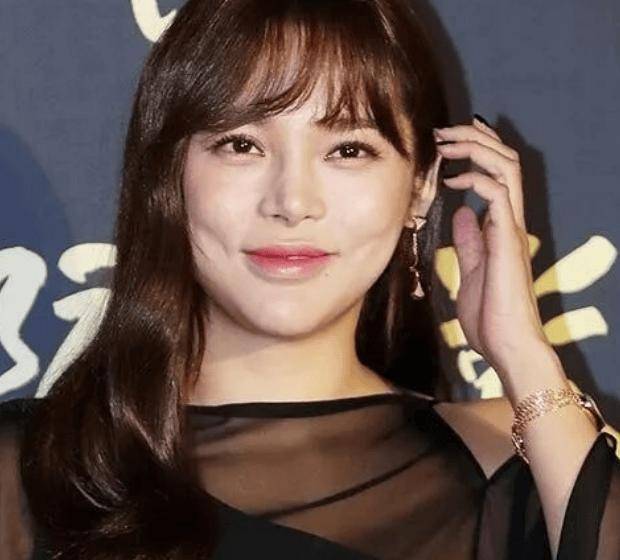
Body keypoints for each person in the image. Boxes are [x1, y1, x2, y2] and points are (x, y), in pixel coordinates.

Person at [1, 0, 618, 558]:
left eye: (348, 150)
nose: (293, 202)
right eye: (242, 144)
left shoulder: (513, 461)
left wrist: (525, 360)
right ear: (168, 173)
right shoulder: (31, 470)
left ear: (421, 188)